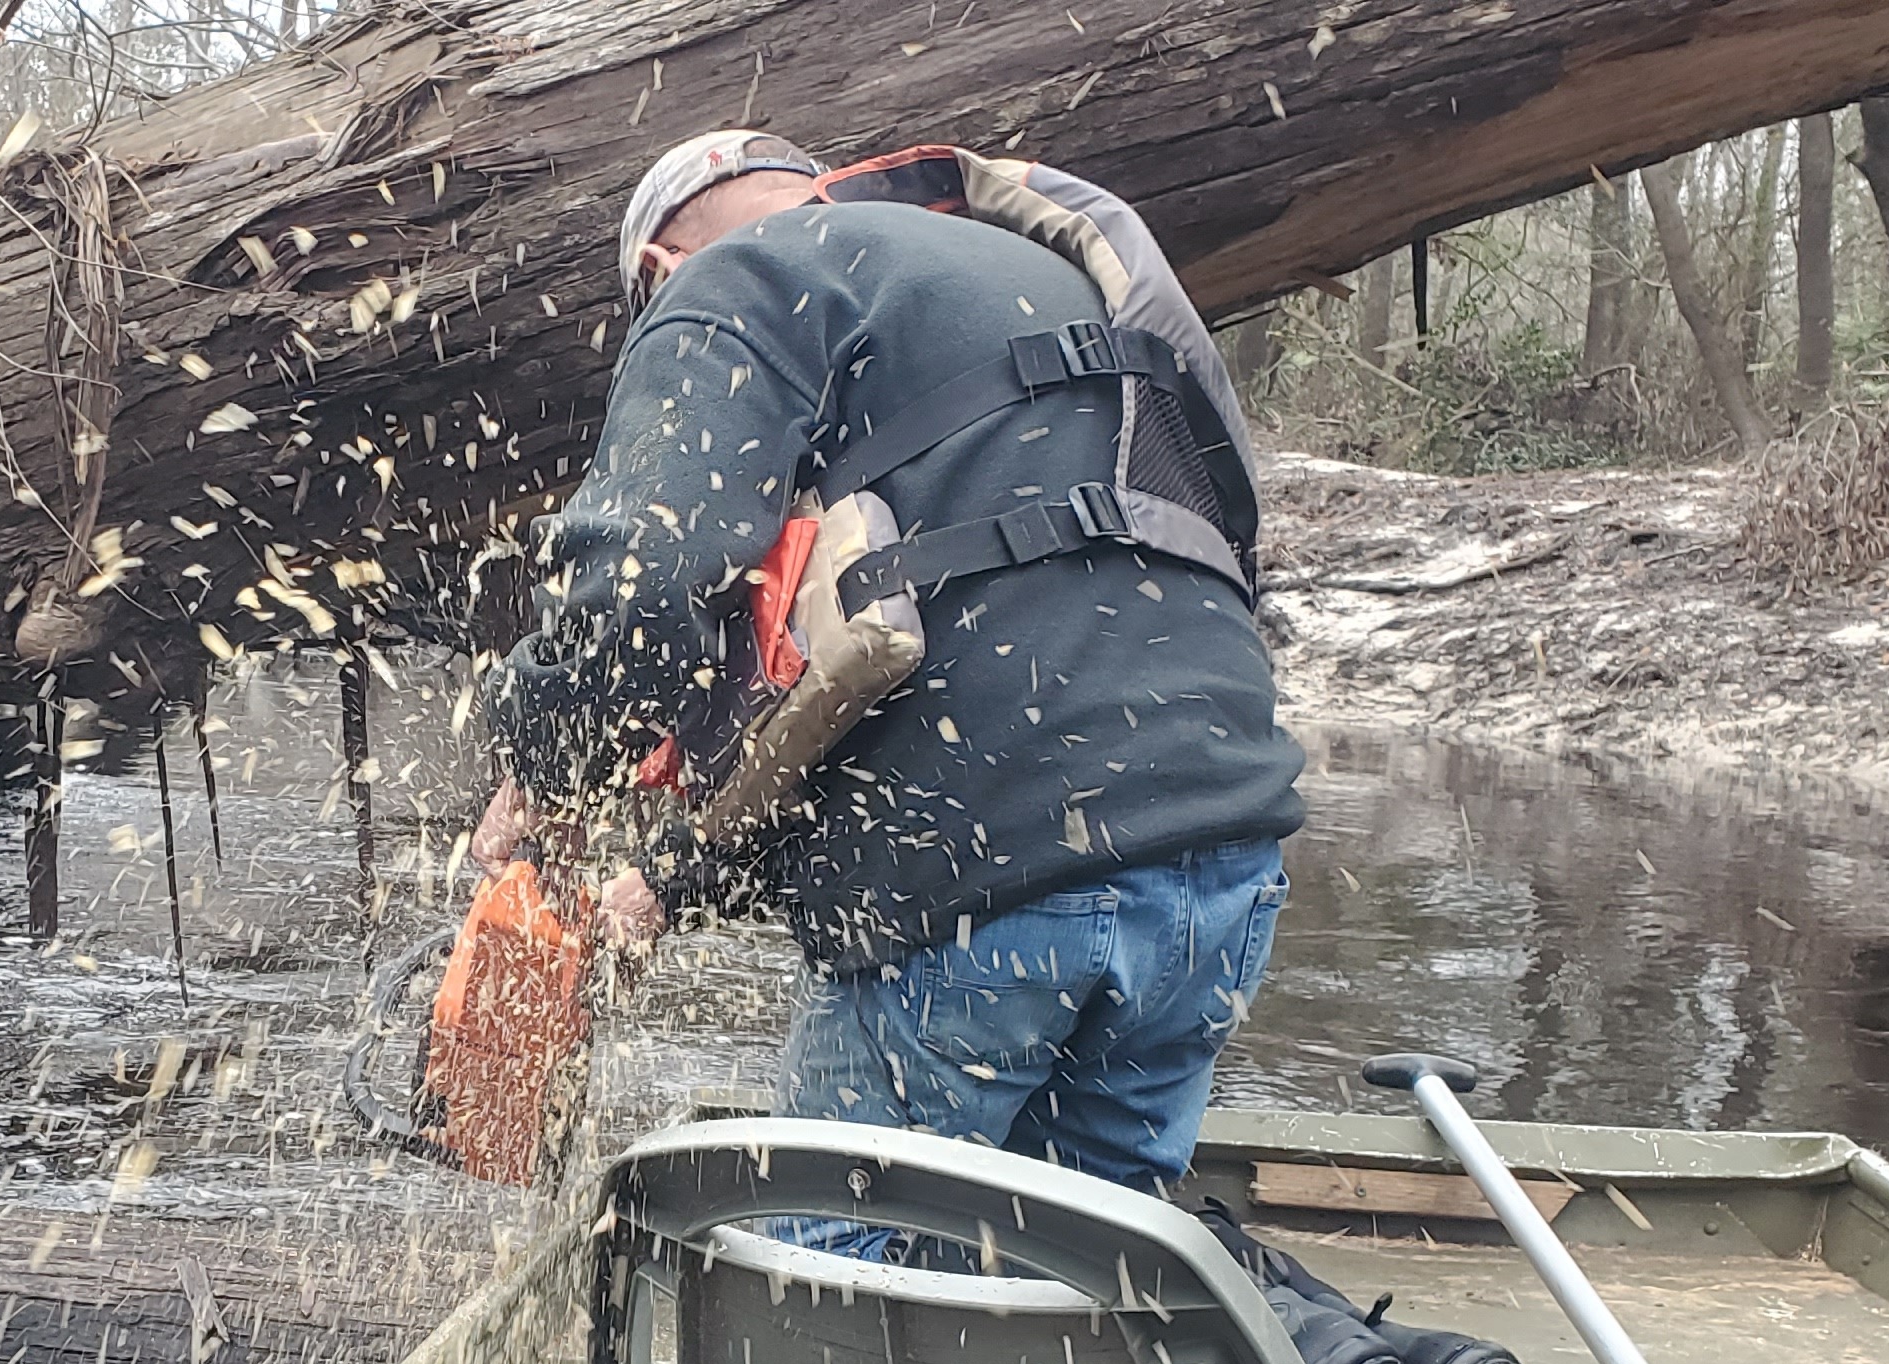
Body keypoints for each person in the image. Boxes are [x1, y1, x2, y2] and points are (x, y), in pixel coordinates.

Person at [478, 129, 1302, 1210]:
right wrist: (673, 883)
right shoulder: (1035, 274)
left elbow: (638, 593)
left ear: (656, 272)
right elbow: (883, 680)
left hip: (993, 886)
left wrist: (540, 771)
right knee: (1082, 1285)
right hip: (1224, 865)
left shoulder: (736, 280)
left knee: (830, 1278)